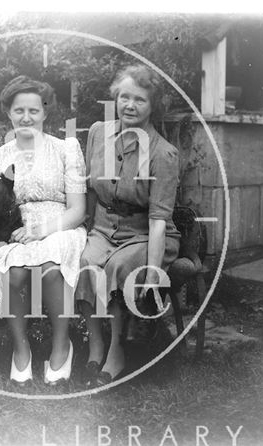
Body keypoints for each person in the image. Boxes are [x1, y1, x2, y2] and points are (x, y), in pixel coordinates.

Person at [75, 65, 181, 387]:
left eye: (140, 99)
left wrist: (152, 270)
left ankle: (116, 350)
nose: (130, 105)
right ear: (115, 99)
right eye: (124, 97)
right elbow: (90, 191)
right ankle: (95, 345)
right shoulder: (97, 133)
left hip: (145, 234)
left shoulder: (164, 153)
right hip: (104, 229)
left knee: (120, 267)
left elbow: (159, 219)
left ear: (153, 106)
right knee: (84, 263)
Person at [0, 76, 87, 386]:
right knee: (13, 272)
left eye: (34, 111)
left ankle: (61, 346)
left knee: (51, 269)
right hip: (17, 228)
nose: (26, 117)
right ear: (8, 112)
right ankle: (21, 349)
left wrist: (42, 230)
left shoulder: (66, 149)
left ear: (45, 112)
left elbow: (78, 210)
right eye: (19, 111)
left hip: (60, 224)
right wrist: (0, 240)